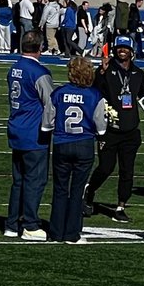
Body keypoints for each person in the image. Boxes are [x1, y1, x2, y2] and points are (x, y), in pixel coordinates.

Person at [42, 55, 107, 244]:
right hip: (84, 144)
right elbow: (101, 127)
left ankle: (56, 232)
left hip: (62, 143)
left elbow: (47, 123)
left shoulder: (59, 93)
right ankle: (72, 233)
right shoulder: (95, 95)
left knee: (60, 189)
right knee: (77, 190)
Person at [83, 35, 144, 222]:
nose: (122, 50)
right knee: (105, 167)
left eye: (125, 48)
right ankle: (89, 191)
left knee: (127, 170)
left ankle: (120, 206)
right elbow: (93, 91)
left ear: (131, 51)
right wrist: (100, 73)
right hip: (109, 129)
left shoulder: (138, 73)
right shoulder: (106, 70)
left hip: (130, 129)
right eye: (119, 47)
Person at [4, 29, 54, 240]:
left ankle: (12, 223)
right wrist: (49, 128)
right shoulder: (39, 72)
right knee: (34, 180)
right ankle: (30, 224)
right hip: (33, 132)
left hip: (17, 127)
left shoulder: (14, 68)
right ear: (40, 48)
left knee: (19, 180)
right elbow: (50, 105)